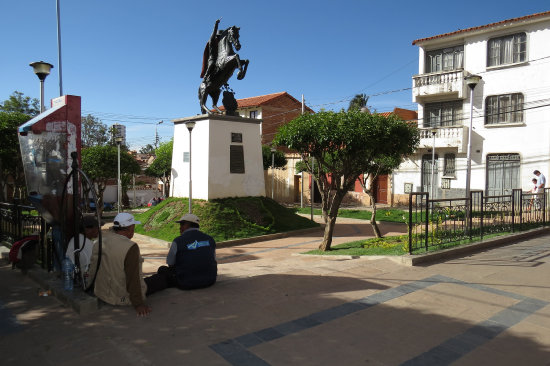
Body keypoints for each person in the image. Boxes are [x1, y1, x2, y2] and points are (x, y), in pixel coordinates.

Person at [92, 212, 151, 317]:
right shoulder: (130, 247)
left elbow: (93, 267)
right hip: (120, 297)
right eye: (133, 227)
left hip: (102, 293)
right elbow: (133, 278)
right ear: (130, 229)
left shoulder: (100, 239)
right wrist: (138, 304)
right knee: (158, 280)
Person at [145, 213, 217, 295]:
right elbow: (213, 259)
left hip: (186, 283)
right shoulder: (210, 239)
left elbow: (170, 263)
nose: (180, 227)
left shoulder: (178, 241)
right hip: (210, 280)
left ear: (188, 225)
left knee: (162, 269)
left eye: (182, 224)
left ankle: (139, 289)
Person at [65, 214, 104, 289]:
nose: (99, 230)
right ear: (87, 229)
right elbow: (96, 265)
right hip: (80, 280)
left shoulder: (77, 238)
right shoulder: (86, 243)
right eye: (97, 228)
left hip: (74, 276)